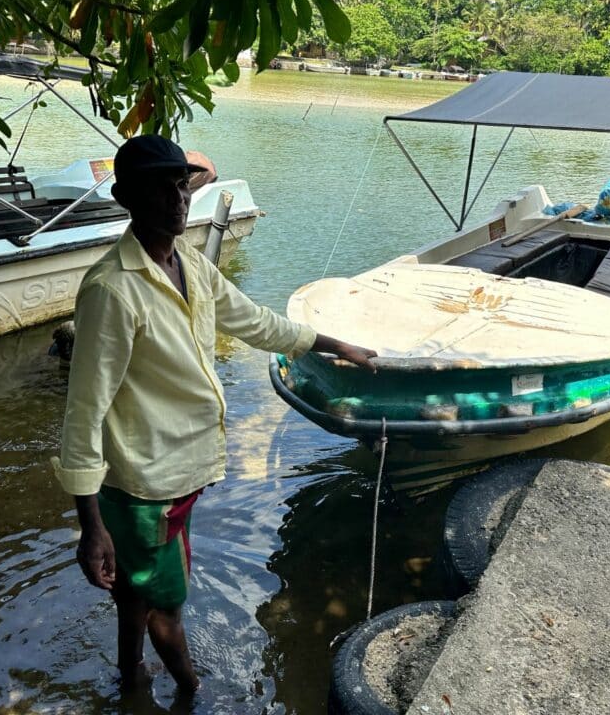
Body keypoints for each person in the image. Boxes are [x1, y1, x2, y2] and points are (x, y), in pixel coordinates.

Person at [51, 134, 377, 695]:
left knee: (134, 591)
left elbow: (255, 322)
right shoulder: (113, 289)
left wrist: (332, 344)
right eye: (163, 187)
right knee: (165, 609)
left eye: (182, 185)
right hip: (148, 486)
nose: (179, 199)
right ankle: (190, 691)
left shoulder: (191, 267)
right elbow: (84, 412)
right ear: (131, 198)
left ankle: (129, 676)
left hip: (175, 473)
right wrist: (90, 527)